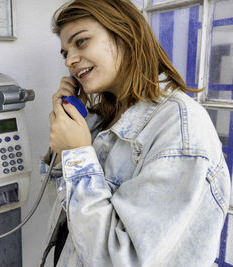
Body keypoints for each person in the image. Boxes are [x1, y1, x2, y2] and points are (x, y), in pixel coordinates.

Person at [40, 0, 231, 266]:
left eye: (81, 42)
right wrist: (65, 150)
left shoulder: (180, 128)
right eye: (65, 53)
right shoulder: (98, 120)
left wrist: (77, 154)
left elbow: (123, 258)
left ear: (126, 35)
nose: (70, 60)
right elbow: (67, 216)